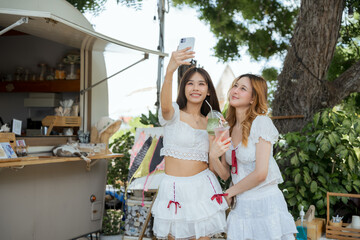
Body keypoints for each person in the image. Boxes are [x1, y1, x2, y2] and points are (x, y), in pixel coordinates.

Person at [151, 47, 228, 240]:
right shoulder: (173, 113)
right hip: (174, 189)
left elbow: (216, 166)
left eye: (201, 84)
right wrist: (170, 70)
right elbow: (166, 105)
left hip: (203, 188)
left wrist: (215, 150)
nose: (195, 88)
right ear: (183, 88)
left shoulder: (212, 120)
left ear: (208, 90)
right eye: (190, 84)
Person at [209, 74, 297, 240]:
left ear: (253, 98)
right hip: (240, 207)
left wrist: (228, 193)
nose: (235, 90)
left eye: (243, 88)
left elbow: (261, 173)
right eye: (235, 85)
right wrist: (213, 156)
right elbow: (226, 174)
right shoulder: (227, 127)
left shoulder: (261, 123)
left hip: (265, 203)